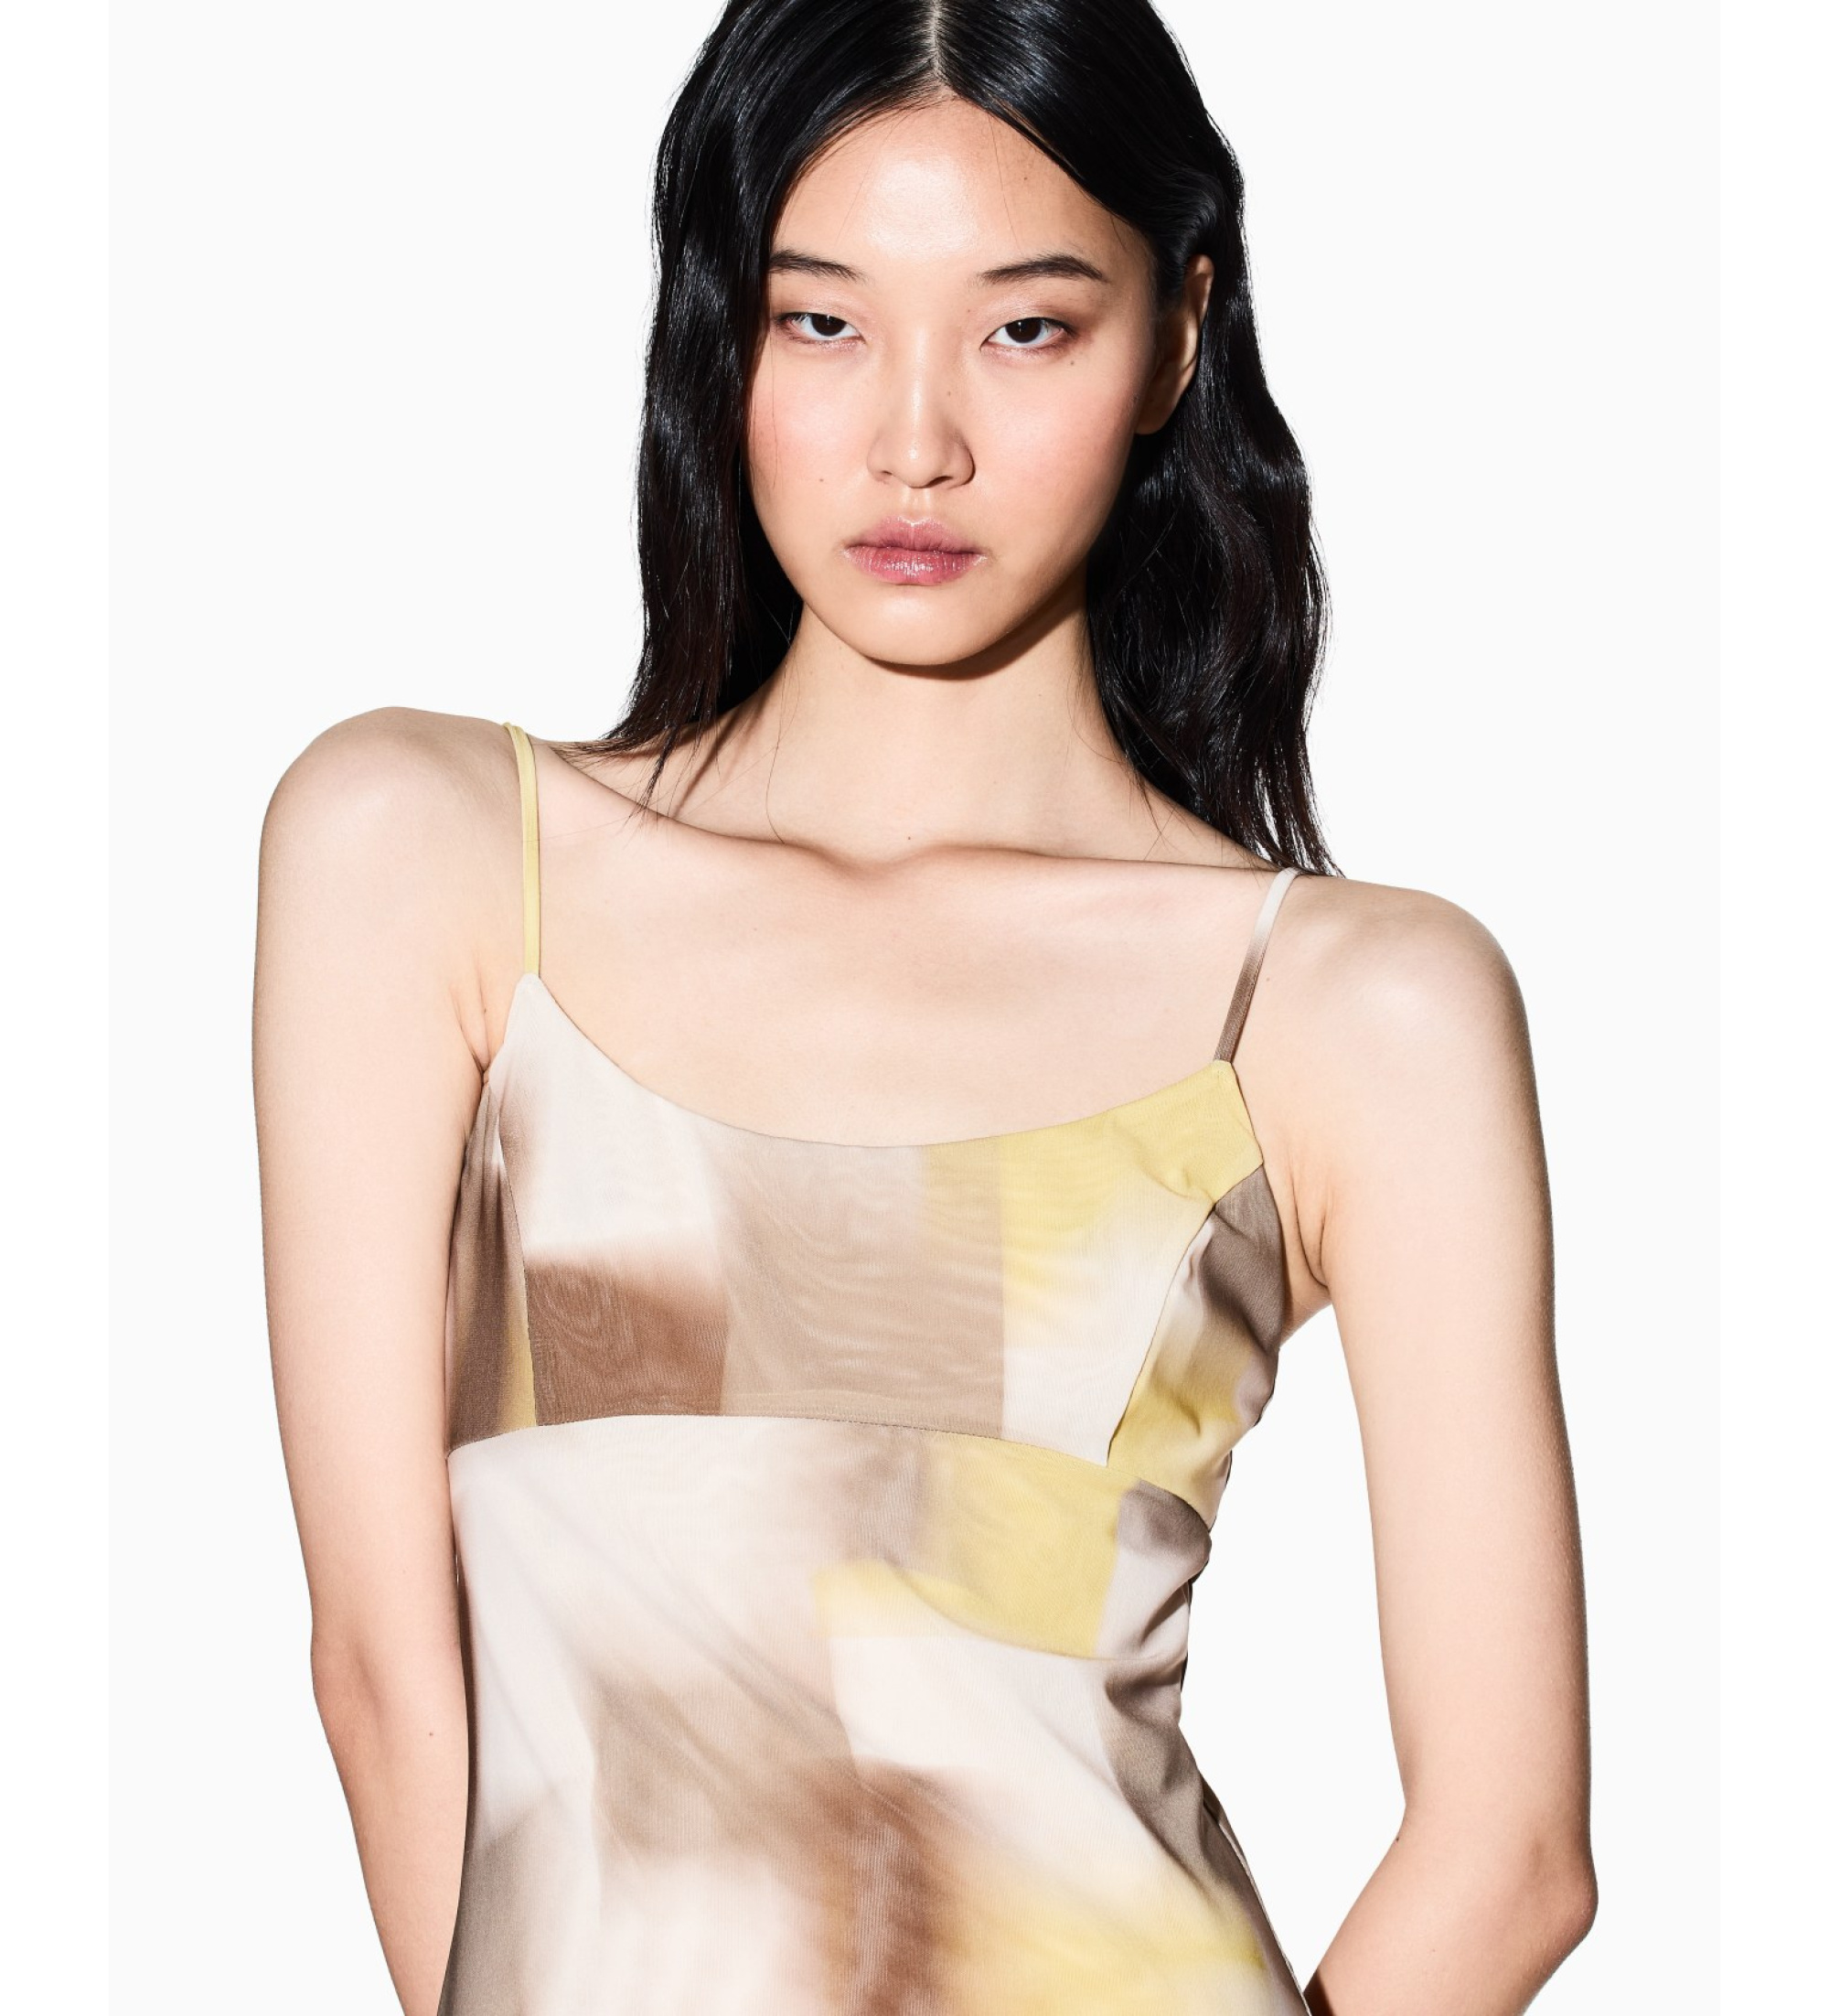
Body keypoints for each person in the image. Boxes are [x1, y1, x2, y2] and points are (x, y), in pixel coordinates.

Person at [252, 2, 1596, 2011]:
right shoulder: (422, 853)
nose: (915, 441)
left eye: (1026, 328)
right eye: (822, 321)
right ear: (721, 326)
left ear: (1178, 338)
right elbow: (382, 1667)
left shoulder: (1354, 1006)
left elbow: (1511, 1858)